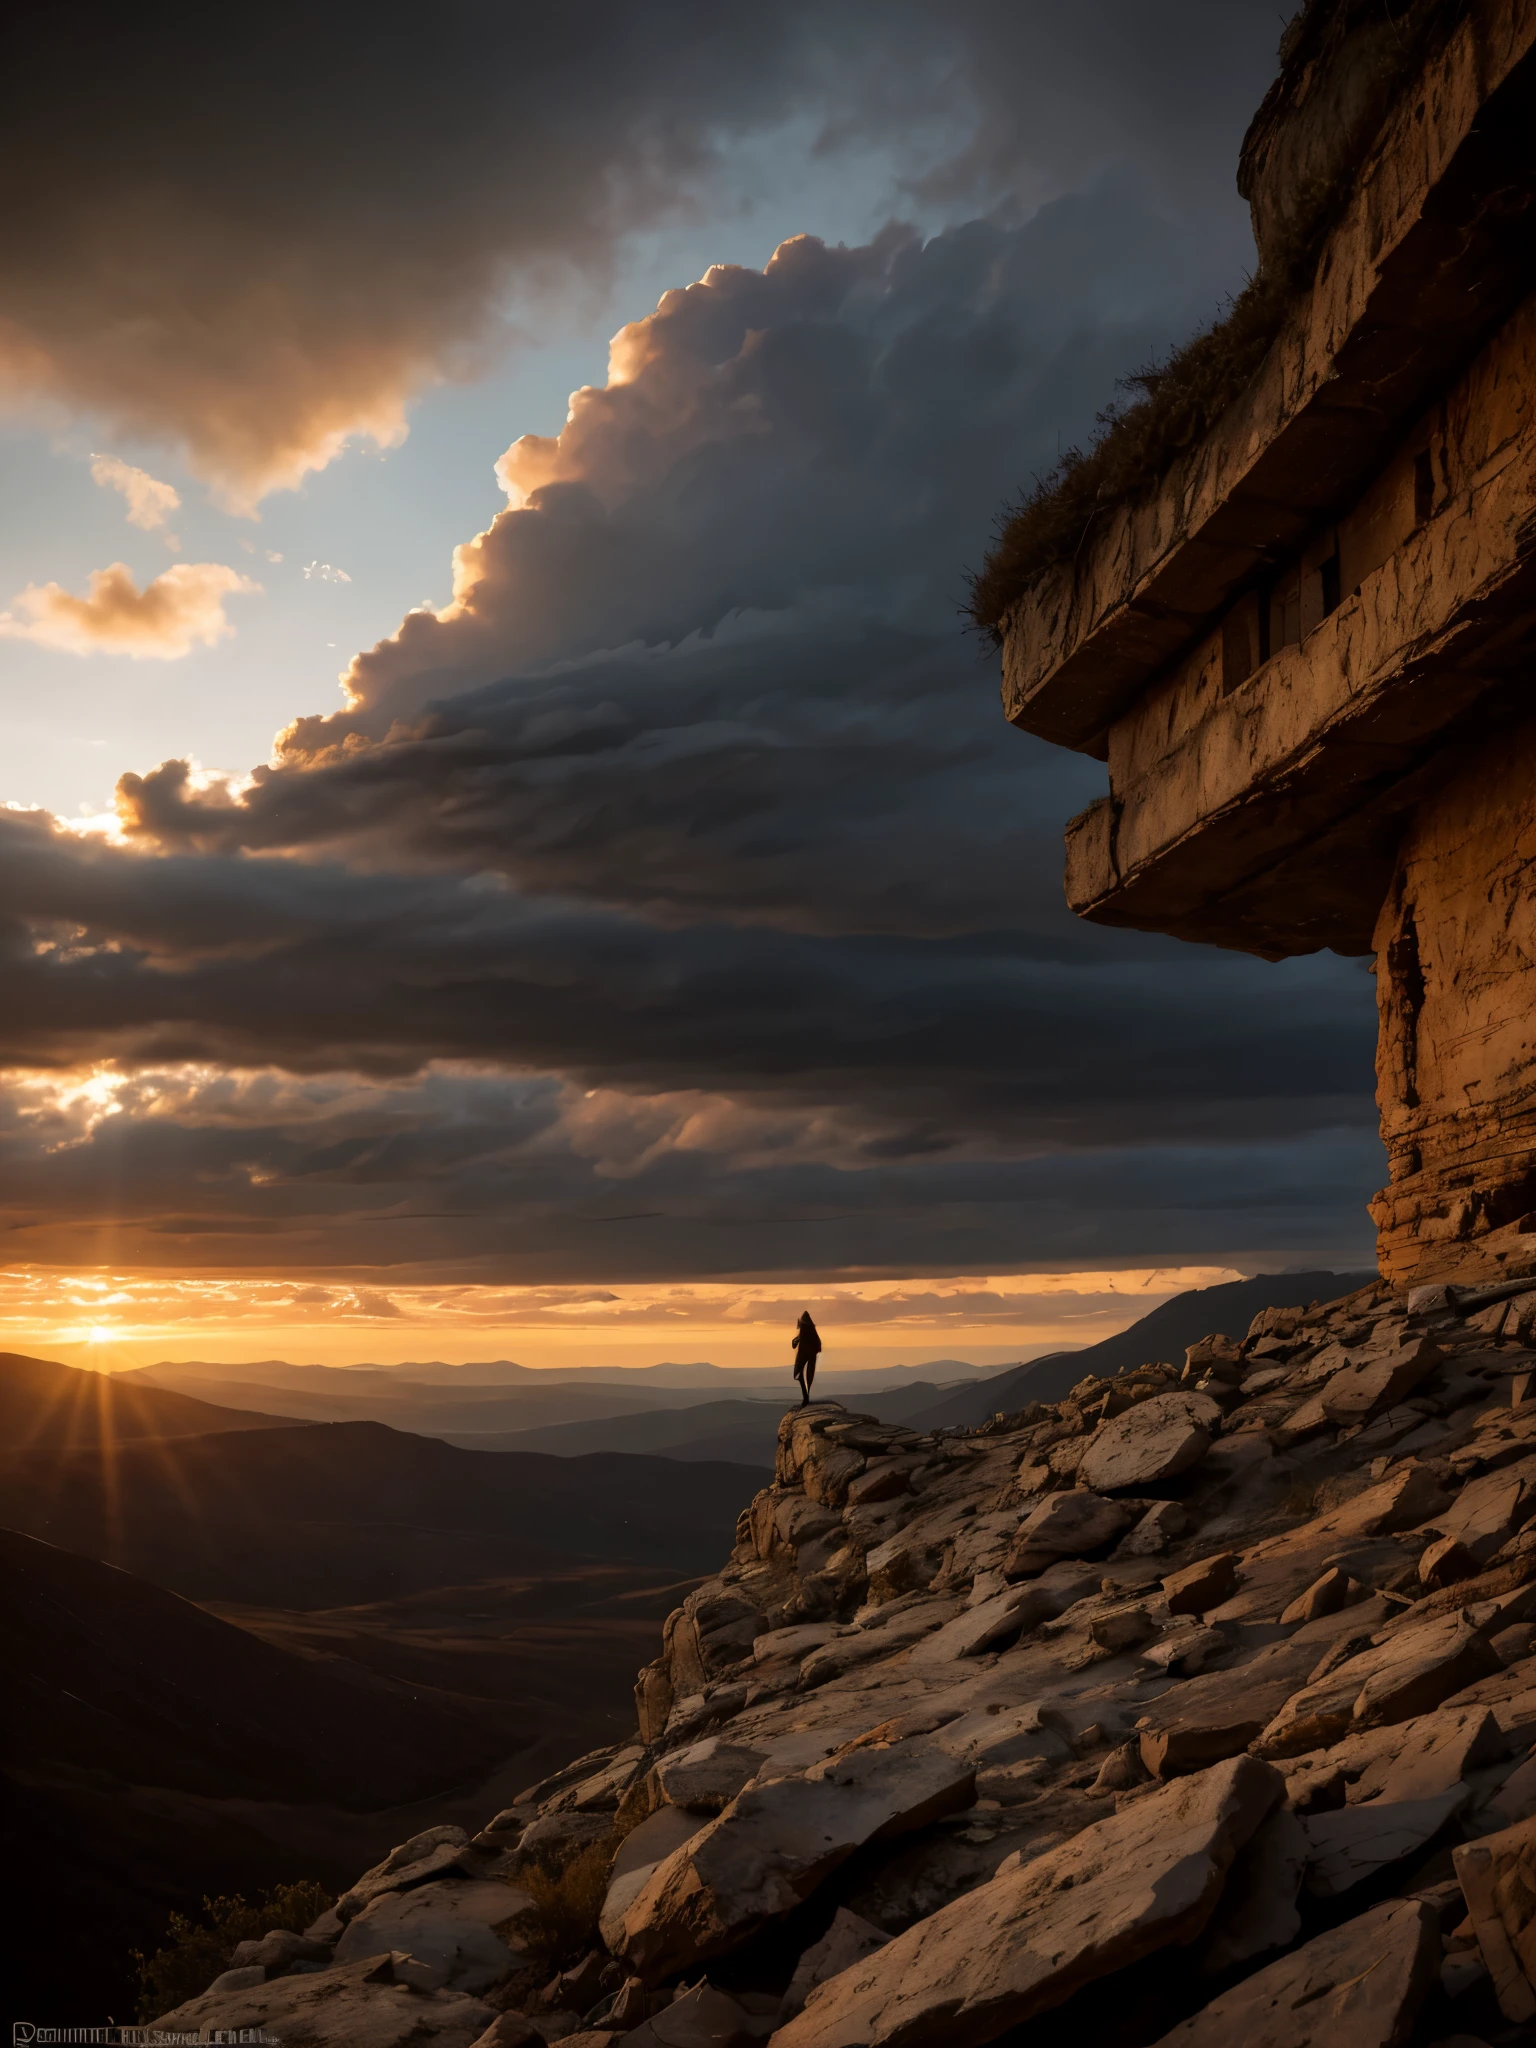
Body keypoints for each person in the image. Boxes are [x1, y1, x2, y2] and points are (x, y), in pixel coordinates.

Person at [791, 1311, 821, 1405]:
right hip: (807, 1355)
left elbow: (800, 1341)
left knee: (802, 1376)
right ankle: (806, 1397)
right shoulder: (809, 1331)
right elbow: (798, 1341)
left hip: (806, 1355)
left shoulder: (807, 1330)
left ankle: (806, 1398)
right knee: (802, 1376)